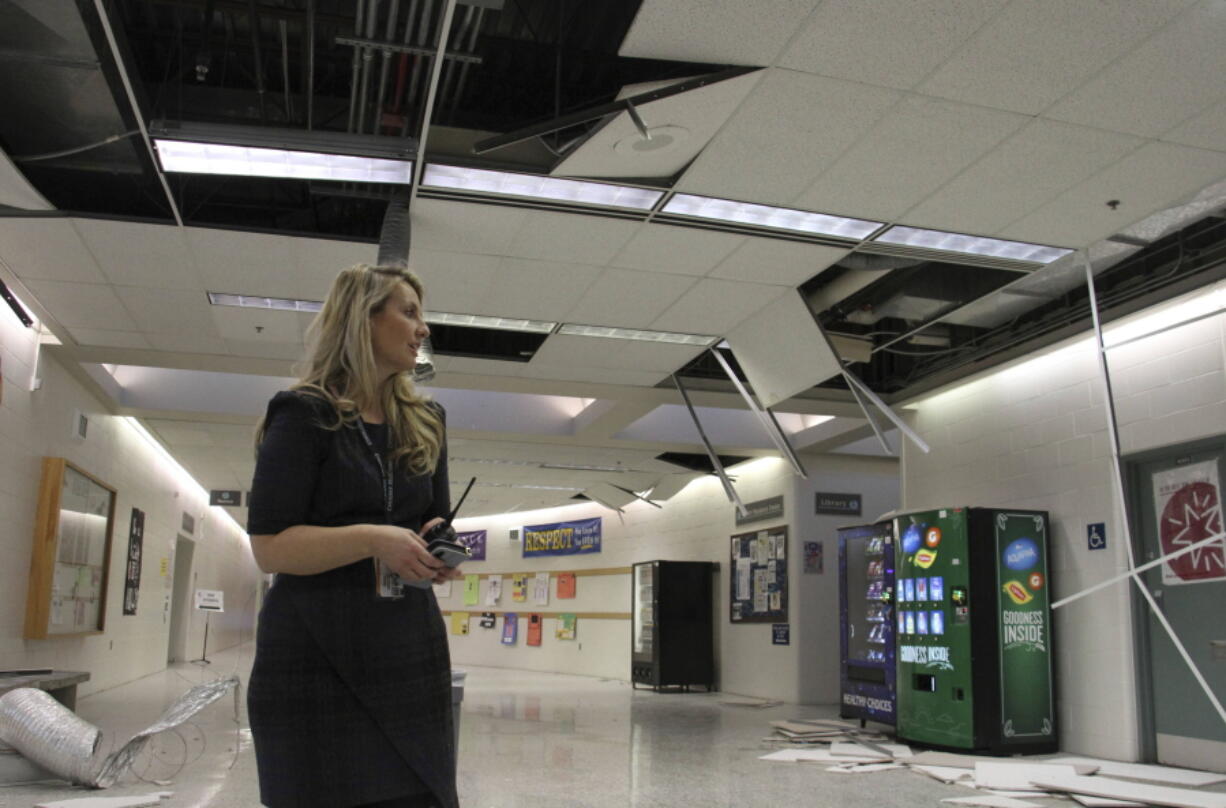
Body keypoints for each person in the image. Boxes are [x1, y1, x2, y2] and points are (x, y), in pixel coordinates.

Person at [246, 264, 463, 808]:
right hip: (314, 652)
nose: (423, 329)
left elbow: (431, 517)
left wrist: (436, 544)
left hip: (406, 647)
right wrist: (373, 538)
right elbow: (270, 546)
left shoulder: (427, 420)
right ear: (364, 319)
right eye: (409, 312)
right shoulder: (303, 413)